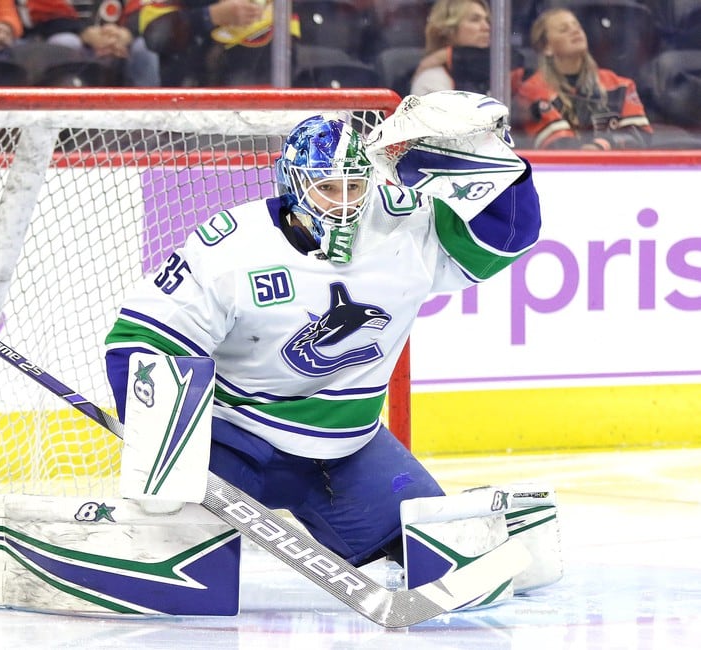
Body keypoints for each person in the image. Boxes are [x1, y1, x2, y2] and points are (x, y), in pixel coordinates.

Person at [104, 91, 542, 572]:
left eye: (355, 187)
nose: (344, 204)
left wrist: (496, 161)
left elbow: (507, 237)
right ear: (293, 185)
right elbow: (143, 340)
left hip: (348, 449)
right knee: (175, 564)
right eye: (327, 188)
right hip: (231, 443)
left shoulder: (402, 224)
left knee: (445, 560)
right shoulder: (232, 245)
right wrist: (165, 459)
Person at [513, 7, 653, 150]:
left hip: (618, 170)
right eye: (563, 29)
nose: (575, 31)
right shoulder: (533, 90)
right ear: (546, 47)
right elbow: (558, 145)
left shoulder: (620, 85)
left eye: (577, 26)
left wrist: (601, 145)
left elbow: (640, 136)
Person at [135, 0, 282, 87]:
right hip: (196, 103)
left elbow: (302, 33)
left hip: (268, 97)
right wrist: (211, 15)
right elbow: (158, 37)